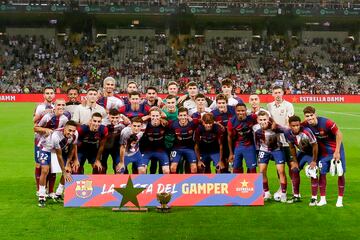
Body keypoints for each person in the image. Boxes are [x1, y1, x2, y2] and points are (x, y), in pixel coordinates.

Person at [302, 106, 346, 207]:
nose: (309, 118)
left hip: (336, 150)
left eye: (311, 115)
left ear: (315, 114)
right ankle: (323, 199)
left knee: (340, 172)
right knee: (322, 172)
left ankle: (340, 199)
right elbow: (294, 127)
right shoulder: (305, 124)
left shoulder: (327, 122)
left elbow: (339, 134)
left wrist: (337, 151)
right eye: (307, 116)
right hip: (324, 152)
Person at [37, 120, 78, 207]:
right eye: (69, 130)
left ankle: (58, 194)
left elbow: (72, 148)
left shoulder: (75, 134)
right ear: (64, 129)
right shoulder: (56, 135)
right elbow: (59, 156)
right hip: (46, 148)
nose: (71, 133)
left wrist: (67, 165)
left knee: (68, 169)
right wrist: (63, 171)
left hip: (60, 149)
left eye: (73, 131)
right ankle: (41, 196)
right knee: (45, 170)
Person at [34, 99, 69, 199]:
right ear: (54, 106)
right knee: (44, 169)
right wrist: (45, 129)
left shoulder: (65, 118)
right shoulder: (47, 116)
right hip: (43, 145)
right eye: (59, 105)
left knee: (53, 170)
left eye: (63, 105)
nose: (61, 107)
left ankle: (51, 192)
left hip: (55, 147)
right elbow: (36, 128)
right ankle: (41, 193)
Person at [267, 85, 294, 200]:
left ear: (283, 93)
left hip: (287, 139)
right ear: (272, 94)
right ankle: (281, 187)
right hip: (275, 141)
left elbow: (289, 123)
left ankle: (294, 187)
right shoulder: (269, 106)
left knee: (291, 164)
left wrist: (281, 129)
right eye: (275, 93)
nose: (277, 95)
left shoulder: (288, 105)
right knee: (280, 165)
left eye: (279, 92)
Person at [285, 115, 319, 205]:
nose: (296, 127)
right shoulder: (287, 133)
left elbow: (315, 145)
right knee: (294, 170)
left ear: (300, 124)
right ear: (289, 125)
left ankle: (314, 198)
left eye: (297, 125)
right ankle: (296, 196)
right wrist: (295, 161)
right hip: (302, 153)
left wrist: (314, 161)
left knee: (313, 172)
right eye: (293, 126)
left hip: (311, 153)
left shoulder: (306, 132)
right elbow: (292, 147)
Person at [255, 111, 287, 202]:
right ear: (257, 120)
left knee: (281, 171)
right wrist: (258, 154)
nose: (263, 121)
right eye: (260, 120)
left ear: (268, 119)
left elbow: (286, 131)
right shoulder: (257, 131)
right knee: (261, 171)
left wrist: (275, 124)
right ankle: (267, 192)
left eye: (264, 119)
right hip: (264, 150)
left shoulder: (275, 127)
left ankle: (283, 194)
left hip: (277, 150)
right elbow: (257, 144)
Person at [33, 86, 55, 196]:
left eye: (51, 93)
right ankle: (39, 189)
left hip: (52, 141)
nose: (49, 95)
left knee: (51, 165)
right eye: (47, 93)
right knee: (39, 164)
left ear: (54, 95)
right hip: (40, 140)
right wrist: (43, 113)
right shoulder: (40, 107)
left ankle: (50, 190)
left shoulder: (56, 106)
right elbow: (34, 122)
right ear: (44, 95)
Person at [227, 103, 258, 174]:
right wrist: (231, 153)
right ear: (235, 111)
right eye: (238, 111)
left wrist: (273, 123)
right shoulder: (231, 121)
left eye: (242, 110)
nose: (240, 112)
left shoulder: (252, 117)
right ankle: (237, 184)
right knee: (236, 168)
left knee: (252, 169)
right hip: (238, 146)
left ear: (246, 110)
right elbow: (229, 137)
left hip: (250, 146)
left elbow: (264, 116)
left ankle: (252, 184)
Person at [168, 107, 199, 174]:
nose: (183, 117)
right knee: (173, 167)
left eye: (184, 115)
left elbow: (201, 121)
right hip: (177, 148)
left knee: (194, 168)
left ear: (187, 116)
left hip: (190, 148)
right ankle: (174, 183)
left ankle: (192, 183)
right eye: (181, 115)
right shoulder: (173, 124)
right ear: (178, 116)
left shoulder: (193, 124)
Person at [141, 107, 170, 174]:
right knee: (142, 170)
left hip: (161, 151)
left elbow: (166, 117)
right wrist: (148, 116)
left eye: (157, 116)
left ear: (160, 116)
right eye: (153, 116)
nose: (155, 118)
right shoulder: (146, 125)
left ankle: (163, 184)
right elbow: (138, 121)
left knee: (166, 171)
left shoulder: (165, 124)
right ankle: (146, 183)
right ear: (150, 116)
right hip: (147, 151)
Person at [211, 94, 236, 172]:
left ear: (226, 103)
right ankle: (221, 181)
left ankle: (233, 180)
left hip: (233, 141)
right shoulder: (213, 114)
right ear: (216, 103)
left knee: (233, 163)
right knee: (221, 164)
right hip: (220, 142)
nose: (221, 105)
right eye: (219, 103)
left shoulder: (233, 110)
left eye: (223, 103)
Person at [101, 109, 126, 174]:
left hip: (116, 147)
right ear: (108, 116)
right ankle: (102, 182)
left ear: (119, 117)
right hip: (105, 147)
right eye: (112, 117)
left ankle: (117, 182)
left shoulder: (122, 122)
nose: (114, 120)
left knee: (117, 167)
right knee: (102, 167)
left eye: (116, 118)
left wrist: (123, 116)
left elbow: (130, 124)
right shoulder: (103, 122)